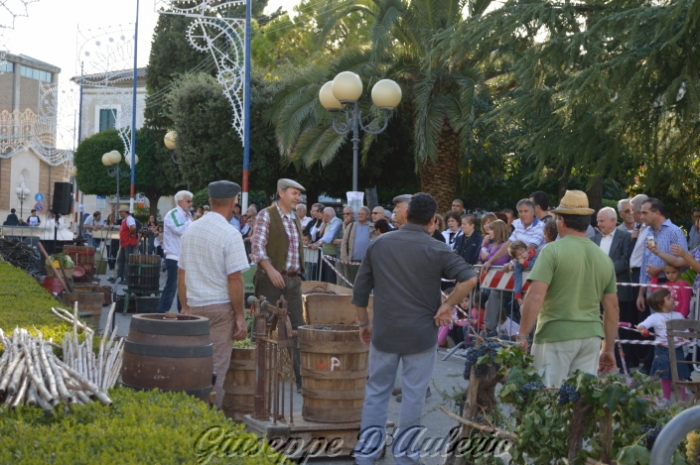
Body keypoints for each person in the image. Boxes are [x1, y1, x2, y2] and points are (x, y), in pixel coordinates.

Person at [351, 193, 477, 465]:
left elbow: (359, 294)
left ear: (406, 215)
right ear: (433, 220)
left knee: (376, 392)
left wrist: (364, 324)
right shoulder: (438, 248)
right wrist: (449, 306)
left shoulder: (378, 245)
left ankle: (367, 452)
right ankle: (406, 456)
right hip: (421, 334)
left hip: (384, 331)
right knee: (414, 395)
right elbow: (469, 278)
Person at [516, 190, 619, 387]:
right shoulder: (603, 258)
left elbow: (536, 296)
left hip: (556, 335)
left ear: (561, 221)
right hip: (590, 338)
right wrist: (609, 349)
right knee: (579, 404)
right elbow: (612, 309)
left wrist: (522, 335)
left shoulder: (551, 251)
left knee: (549, 400)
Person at [178, 181, 248, 409]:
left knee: (194, 366)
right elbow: (235, 279)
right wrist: (240, 315)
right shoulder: (230, 233)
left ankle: (191, 413)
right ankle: (210, 419)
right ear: (234, 202)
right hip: (220, 309)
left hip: (195, 307)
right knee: (216, 369)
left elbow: (182, 273)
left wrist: (185, 306)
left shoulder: (191, 229)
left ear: (209, 201)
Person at [251, 178, 307, 393]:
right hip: (269, 279)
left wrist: (297, 275)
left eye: (298, 194)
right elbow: (257, 248)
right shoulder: (266, 214)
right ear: (281, 193)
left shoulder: (294, 219)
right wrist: (271, 270)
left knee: (298, 329)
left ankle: (301, 380)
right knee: (263, 328)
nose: (298, 198)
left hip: (292, 280)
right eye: (294, 193)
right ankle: (256, 378)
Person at [481, 199, 545, 334]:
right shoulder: (519, 226)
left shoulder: (540, 227)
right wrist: (490, 261)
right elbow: (508, 245)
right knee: (496, 291)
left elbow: (529, 249)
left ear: (533, 212)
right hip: (518, 269)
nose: (522, 214)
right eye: (520, 212)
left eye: (526, 211)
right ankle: (489, 330)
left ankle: (529, 338)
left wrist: (513, 262)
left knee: (528, 303)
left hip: (532, 272)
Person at [592, 206, 637, 369]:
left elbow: (626, 261)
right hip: (597, 291)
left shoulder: (625, 237)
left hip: (620, 292)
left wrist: (605, 270)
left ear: (613, 221)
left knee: (623, 327)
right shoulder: (594, 240)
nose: (599, 224)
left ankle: (626, 362)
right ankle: (601, 357)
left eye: (602, 220)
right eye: (598, 221)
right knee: (599, 324)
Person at [637, 289, 689, 406]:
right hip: (662, 350)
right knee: (665, 376)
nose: (673, 300)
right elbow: (642, 325)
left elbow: (685, 329)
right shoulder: (654, 317)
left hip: (677, 349)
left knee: (680, 375)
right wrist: (642, 329)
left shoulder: (678, 315)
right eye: (669, 298)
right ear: (660, 304)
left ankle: (682, 400)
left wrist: (684, 336)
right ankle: (665, 400)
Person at [636, 198, 688, 312]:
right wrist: (641, 294)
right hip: (653, 288)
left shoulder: (674, 232)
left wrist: (660, 270)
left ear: (657, 213)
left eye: (645, 213)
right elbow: (645, 264)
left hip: (671, 290)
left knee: (670, 327)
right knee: (656, 326)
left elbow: (685, 261)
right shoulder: (648, 232)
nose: (641, 217)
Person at [157, 190, 194, 313]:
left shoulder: (187, 216)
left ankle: (182, 312)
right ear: (179, 201)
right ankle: (161, 313)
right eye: (188, 201)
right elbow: (178, 229)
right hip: (174, 257)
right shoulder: (172, 214)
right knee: (172, 287)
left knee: (183, 288)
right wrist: (191, 222)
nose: (190, 204)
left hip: (184, 257)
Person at [340, 206, 375, 287]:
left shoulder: (372, 227)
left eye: (362, 214)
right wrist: (344, 257)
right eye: (359, 214)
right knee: (350, 284)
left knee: (364, 284)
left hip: (366, 262)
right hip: (352, 261)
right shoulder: (351, 226)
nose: (360, 215)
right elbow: (344, 242)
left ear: (368, 215)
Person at [310, 207, 343, 283]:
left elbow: (329, 235)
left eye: (323, 215)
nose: (322, 218)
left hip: (333, 255)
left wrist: (318, 244)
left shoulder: (337, 222)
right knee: (326, 277)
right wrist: (315, 243)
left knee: (331, 277)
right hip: (326, 254)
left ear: (327, 215)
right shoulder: (329, 223)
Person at [109, 205, 138, 285]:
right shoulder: (124, 220)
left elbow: (133, 227)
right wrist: (113, 212)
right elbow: (113, 221)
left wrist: (129, 234)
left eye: (120, 212)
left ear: (125, 212)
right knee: (120, 261)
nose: (120, 214)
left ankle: (127, 279)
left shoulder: (130, 219)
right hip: (124, 243)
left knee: (128, 261)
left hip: (128, 243)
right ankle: (120, 277)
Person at [506, 240, 537, 306]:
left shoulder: (536, 256)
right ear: (516, 258)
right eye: (518, 255)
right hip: (528, 292)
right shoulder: (518, 264)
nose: (522, 255)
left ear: (526, 249)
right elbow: (517, 278)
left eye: (523, 251)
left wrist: (526, 263)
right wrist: (518, 296)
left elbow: (537, 267)